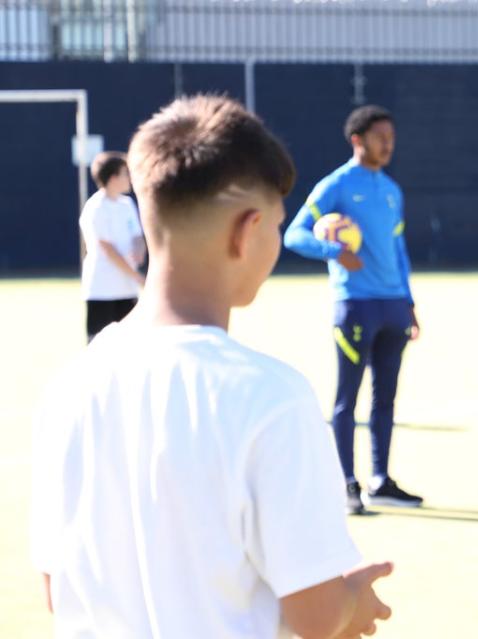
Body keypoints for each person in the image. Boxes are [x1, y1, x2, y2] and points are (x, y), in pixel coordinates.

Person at [31, 95, 393, 638]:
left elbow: (57, 590)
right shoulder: (273, 396)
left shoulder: (69, 387)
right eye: (275, 226)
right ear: (246, 232)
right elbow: (316, 616)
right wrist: (353, 603)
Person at [285, 105, 422, 515]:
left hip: (394, 307)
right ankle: (347, 484)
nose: (388, 145)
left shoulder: (391, 190)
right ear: (357, 140)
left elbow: (398, 250)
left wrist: (409, 302)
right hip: (355, 306)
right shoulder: (337, 185)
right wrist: (333, 252)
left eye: (391, 138)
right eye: (381, 137)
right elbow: (294, 234)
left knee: (386, 398)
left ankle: (381, 480)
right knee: (348, 398)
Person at [79, 151, 146, 342]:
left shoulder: (127, 204)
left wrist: (139, 249)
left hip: (127, 289)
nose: (129, 179)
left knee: (129, 343)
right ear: (113, 177)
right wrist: (137, 277)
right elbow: (107, 249)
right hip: (102, 289)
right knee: (98, 345)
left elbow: (137, 236)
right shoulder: (96, 207)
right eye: (125, 173)